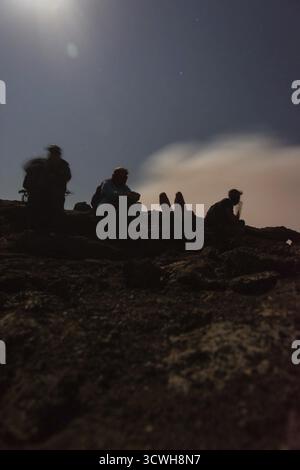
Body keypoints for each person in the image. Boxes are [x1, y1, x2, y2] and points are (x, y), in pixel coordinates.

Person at [45, 145, 72, 215]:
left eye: (53, 152)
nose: (51, 154)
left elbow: (68, 177)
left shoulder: (63, 165)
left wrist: (57, 178)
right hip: (44, 196)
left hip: (58, 196)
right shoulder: (45, 163)